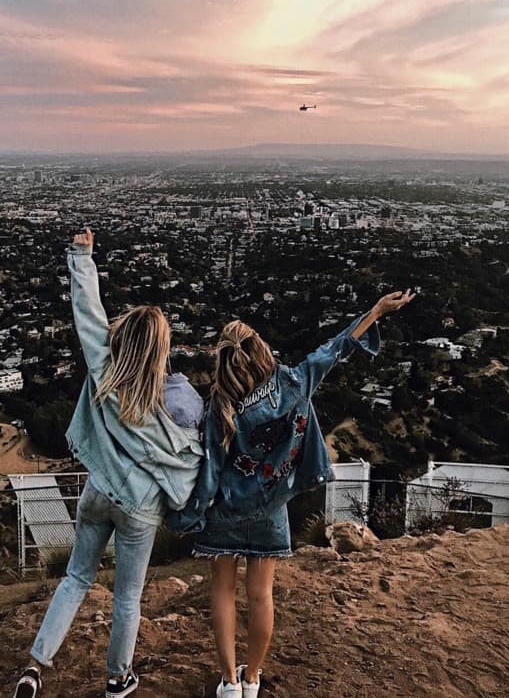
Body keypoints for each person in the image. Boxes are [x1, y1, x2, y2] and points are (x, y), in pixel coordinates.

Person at [168, 290, 414, 697]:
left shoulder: (221, 407)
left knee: (222, 594)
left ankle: (229, 683)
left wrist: (189, 516)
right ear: (262, 351)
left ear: (224, 362)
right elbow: (334, 350)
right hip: (271, 510)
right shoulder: (293, 384)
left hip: (226, 513)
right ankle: (252, 678)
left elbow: (210, 473)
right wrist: (375, 311)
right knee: (261, 596)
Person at [14, 228, 204, 698]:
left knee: (76, 578)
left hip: (98, 492)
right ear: (162, 347)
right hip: (140, 507)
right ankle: (118, 678)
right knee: (127, 598)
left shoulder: (108, 374)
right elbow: (196, 447)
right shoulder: (178, 401)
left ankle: (36, 668)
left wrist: (82, 257)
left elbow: (89, 319)